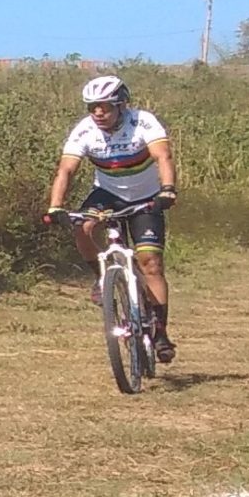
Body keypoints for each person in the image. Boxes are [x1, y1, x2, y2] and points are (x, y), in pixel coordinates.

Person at [44, 74, 180, 364]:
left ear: (121, 105)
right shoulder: (84, 131)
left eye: (105, 107)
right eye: (92, 107)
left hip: (146, 197)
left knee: (151, 263)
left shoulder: (142, 122)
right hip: (106, 194)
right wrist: (56, 206)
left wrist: (167, 190)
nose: (98, 113)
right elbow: (66, 170)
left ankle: (161, 334)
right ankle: (102, 278)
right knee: (82, 226)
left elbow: (163, 156)